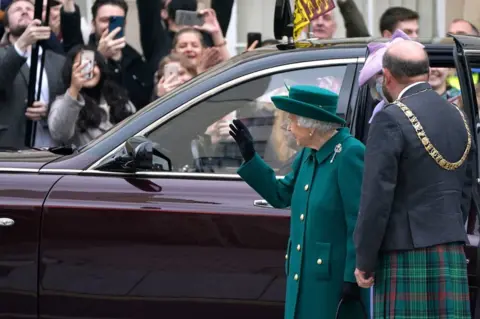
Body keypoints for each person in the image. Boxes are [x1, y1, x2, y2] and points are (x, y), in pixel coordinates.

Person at [354, 40, 472, 318]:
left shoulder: (390, 119)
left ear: (388, 76)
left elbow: (376, 199)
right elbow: (466, 190)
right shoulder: (458, 115)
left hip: (403, 252)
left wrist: (365, 260)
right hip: (450, 248)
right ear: (428, 71)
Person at [229, 85, 369, 318]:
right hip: (305, 271)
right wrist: (251, 157)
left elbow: (359, 220)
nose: (287, 128)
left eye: (292, 120)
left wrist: (351, 276)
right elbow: (280, 194)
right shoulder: (309, 152)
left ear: (311, 125)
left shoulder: (349, 153)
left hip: (332, 278)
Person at [60, 0, 154, 110]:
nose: (109, 26)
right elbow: (82, 90)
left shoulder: (135, 60)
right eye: (104, 20)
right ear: (93, 24)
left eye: (116, 21)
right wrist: (100, 56)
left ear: (124, 23)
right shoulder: (83, 53)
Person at [0, 0, 65, 148]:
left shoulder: (58, 61)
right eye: (17, 9)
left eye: (30, 8)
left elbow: (67, 102)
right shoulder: (2, 55)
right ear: (7, 27)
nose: (24, 11)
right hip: (11, 152)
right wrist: (22, 44)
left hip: (53, 151)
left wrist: (49, 111)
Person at [48, 45, 136, 148]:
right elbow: (60, 134)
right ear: (71, 71)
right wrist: (74, 89)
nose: (88, 71)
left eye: (92, 64)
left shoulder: (117, 96)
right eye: (81, 66)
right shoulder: (64, 102)